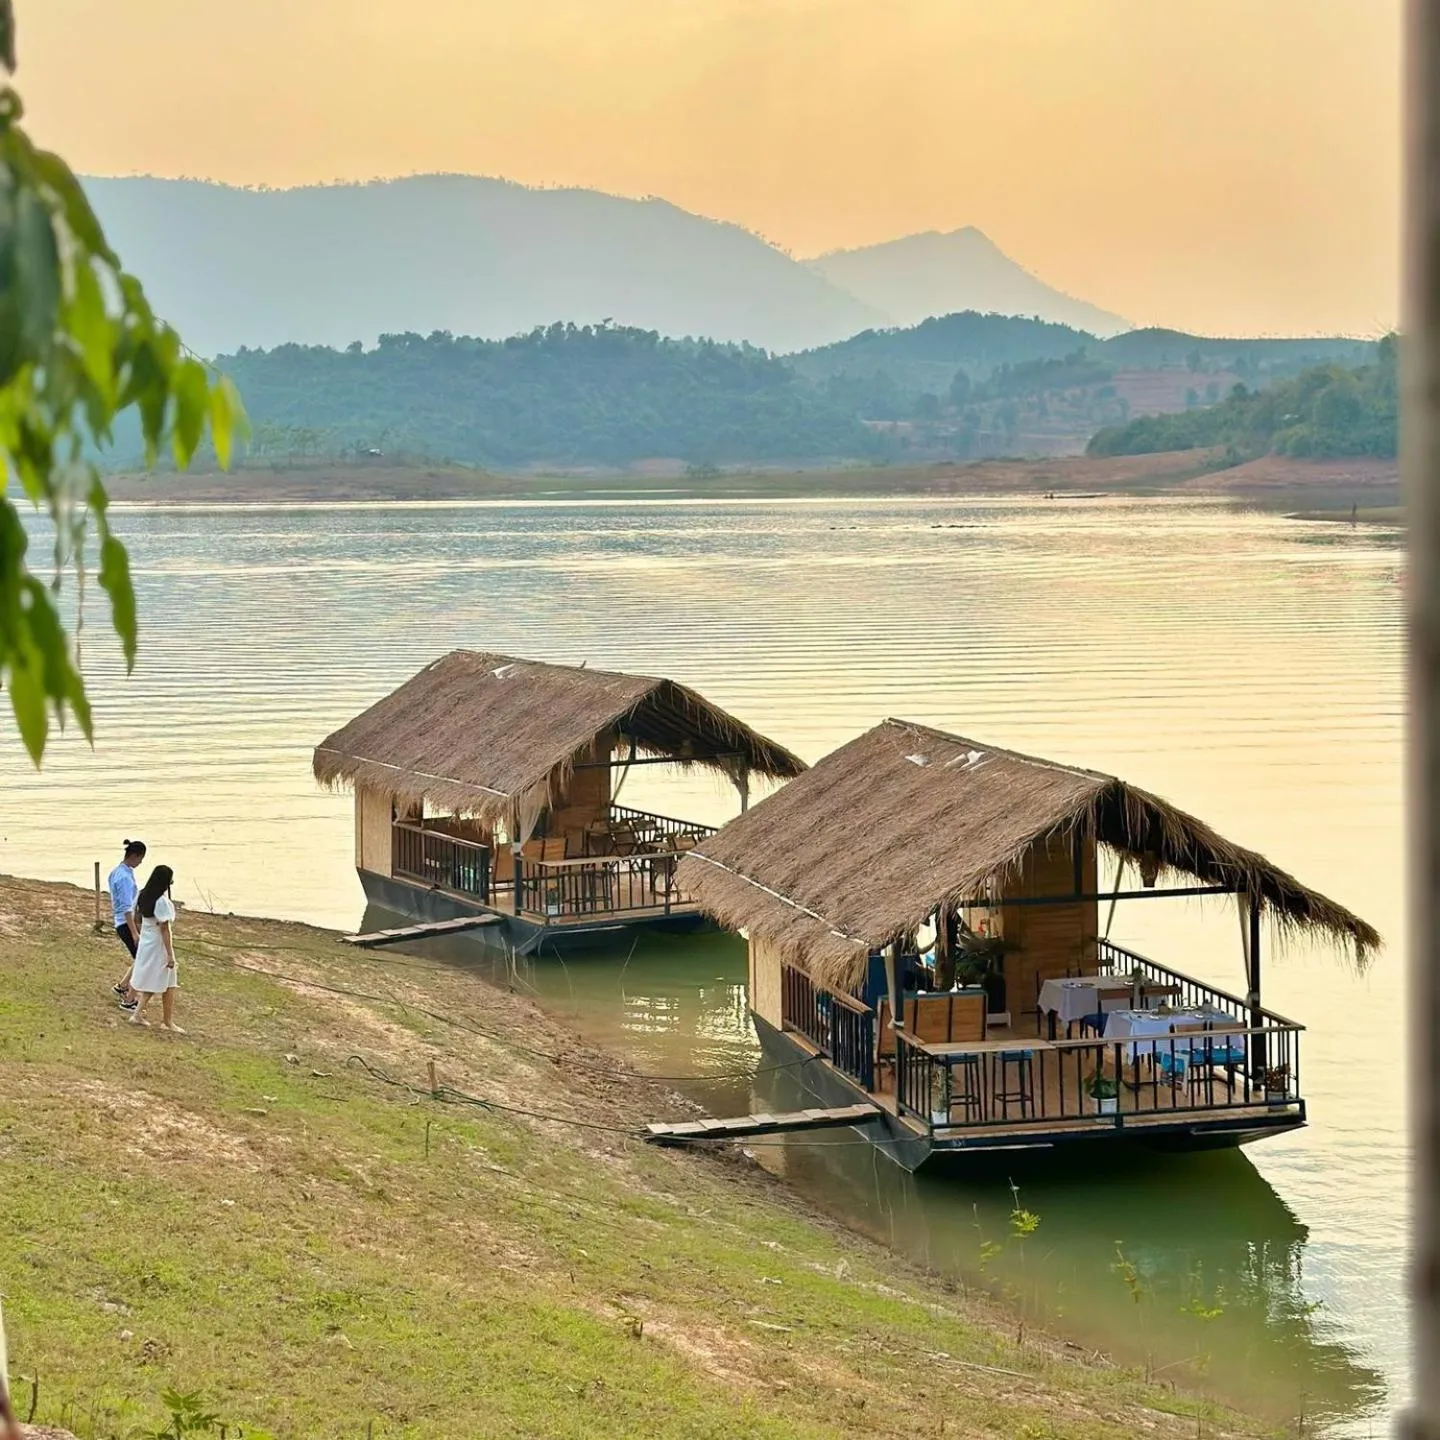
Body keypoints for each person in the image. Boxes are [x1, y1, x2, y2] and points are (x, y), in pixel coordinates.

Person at [128, 865, 184, 1034]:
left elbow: (136, 917)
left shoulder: (143, 895)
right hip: (157, 945)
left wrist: (140, 934)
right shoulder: (161, 902)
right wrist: (170, 954)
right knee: (166, 981)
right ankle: (166, 1021)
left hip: (147, 941)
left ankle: (139, 1014)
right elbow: (165, 930)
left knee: (157, 980)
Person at [108, 839, 146, 1010]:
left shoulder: (119, 872)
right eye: (141, 858)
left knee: (140, 958)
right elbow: (125, 908)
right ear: (134, 856)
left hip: (122, 922)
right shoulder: (124, 877)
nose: (141, 862)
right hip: (125, 923)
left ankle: (122, 986)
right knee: (143, 960)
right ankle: (129, 998)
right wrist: (135, 932)